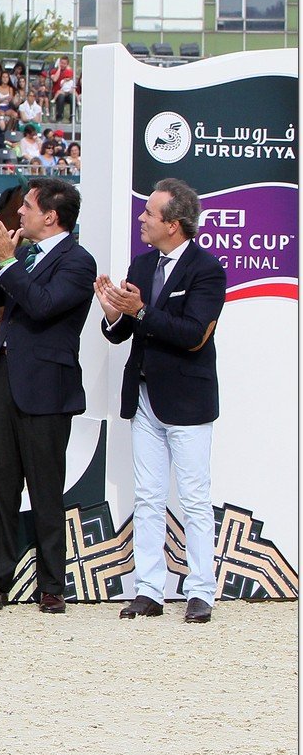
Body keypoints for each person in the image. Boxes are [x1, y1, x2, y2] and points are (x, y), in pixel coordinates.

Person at [97, 179, 225, 623]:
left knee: (193, 497)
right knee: (148, 496)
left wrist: (142, 312)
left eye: (150, 213)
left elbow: (193, 335)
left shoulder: (207, 270)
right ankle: (149, 590)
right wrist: (112, 312)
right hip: (146, 395)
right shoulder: (142, 263)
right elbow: (122, 333)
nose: (142, 219)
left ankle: (201, 591)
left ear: (174, 224)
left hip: (187, 400)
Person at [0, 177, 96, 615]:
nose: (18, 213)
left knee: (46, 489)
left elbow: (43, 305)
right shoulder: (20, 255)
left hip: (47, 388)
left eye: (26, 206)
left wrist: (8, 262)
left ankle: (52, 585)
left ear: (50, 216)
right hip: (4, 380)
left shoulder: (78, 262)